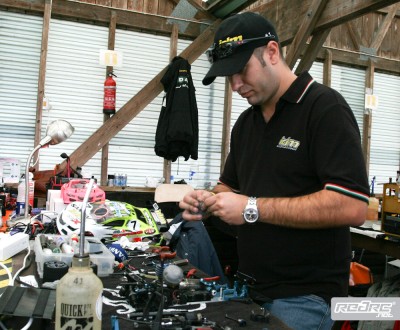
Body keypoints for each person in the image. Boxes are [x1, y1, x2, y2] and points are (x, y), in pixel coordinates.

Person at [179, 12, 370, 330]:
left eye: (241, 70)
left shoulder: (324, 109)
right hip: (248, 288)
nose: (236, 85)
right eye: (229, 76)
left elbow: (352, 206)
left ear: (271, 52)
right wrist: (208, 200)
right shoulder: (246, 124)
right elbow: (228, 188)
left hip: (306, 297)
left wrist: (251, 208)